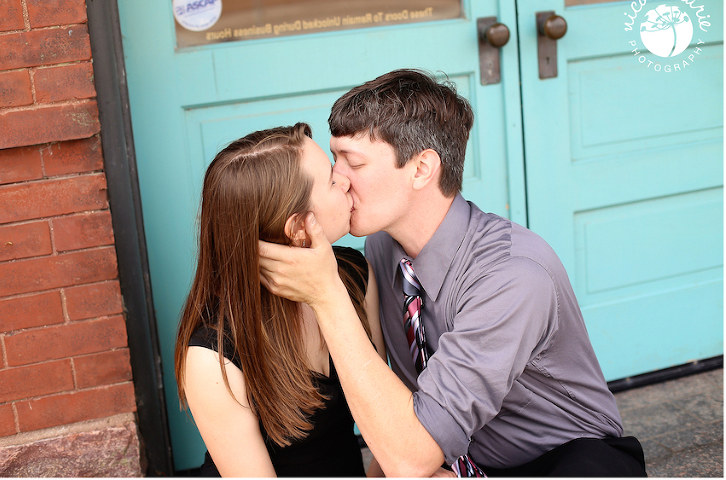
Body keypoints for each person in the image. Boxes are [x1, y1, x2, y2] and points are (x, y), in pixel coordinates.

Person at [259, 69, 647, 477]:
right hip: (444, 455)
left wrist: (328, 296)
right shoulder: (383, 246)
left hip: (561, 461)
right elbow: (403, 411)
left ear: (422, 169)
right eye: (335, 157)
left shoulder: (512, 277)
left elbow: (411, 457)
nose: (337, 177)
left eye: (353, 162)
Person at [174, 123, 388, 476]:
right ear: (300, 229)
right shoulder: (213, 358)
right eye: (333, 181)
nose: (346, 180)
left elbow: (382, 422)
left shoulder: (354, 274)